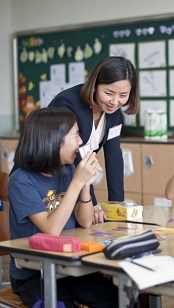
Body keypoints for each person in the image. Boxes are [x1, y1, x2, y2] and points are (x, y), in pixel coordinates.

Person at [8, 107, 118, 308]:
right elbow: (52, 229)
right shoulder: (21, 180)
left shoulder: (67, 170)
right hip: (33, 272)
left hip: (68, 266)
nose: (80, 142)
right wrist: (77, 182)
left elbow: (85, 221)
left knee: (117, 299)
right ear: (53, 139)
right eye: (75, 135)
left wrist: (85, 185)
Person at [48, 56, 139, 223]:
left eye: (123, 95)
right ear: (95, 84)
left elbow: (114, 157)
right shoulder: (68, 103)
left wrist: (116, 203)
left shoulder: (114, 114)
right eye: (109, 93)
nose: (115, 101)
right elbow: (73, 156)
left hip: (78, 181)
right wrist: (92, 202)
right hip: (54, 178)